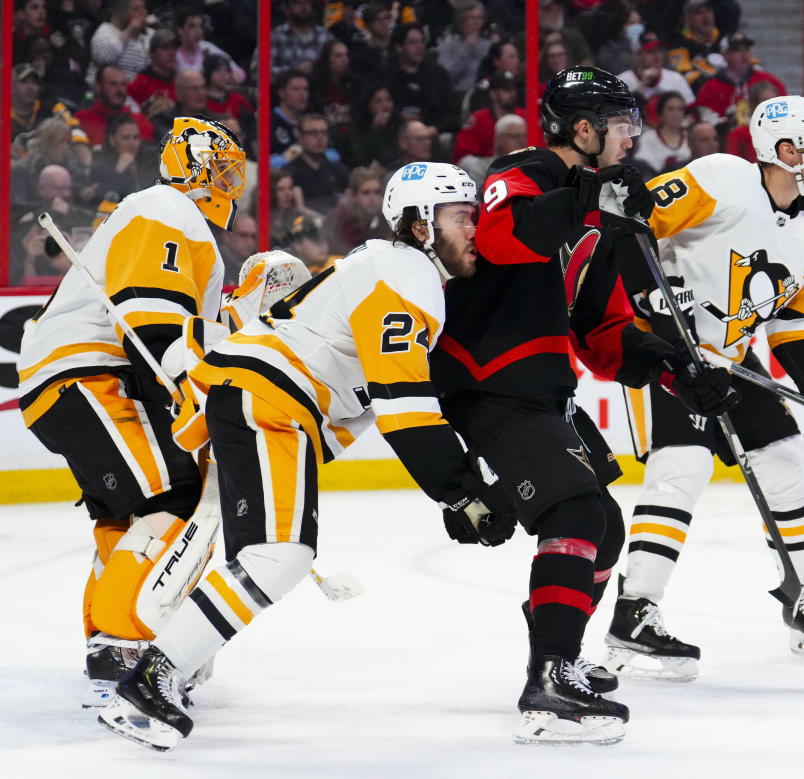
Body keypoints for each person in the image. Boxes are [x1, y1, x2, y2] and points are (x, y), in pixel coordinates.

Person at [97, 162, 521, 751]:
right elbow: (405, 411)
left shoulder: (395, 273)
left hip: (263, 402)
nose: (474, 229)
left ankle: (161, 667)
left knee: (272, 555)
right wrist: (463, 490)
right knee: (280, 555)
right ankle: (150, 679)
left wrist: (458, 486)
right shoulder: (405, 274)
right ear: (421, 225)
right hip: (267, 401)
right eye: (460, 216)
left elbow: (383, 404)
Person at [430, 66, 734, 744]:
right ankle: (551, 672)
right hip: (487, 377)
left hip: (543, 386)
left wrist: (676, 369)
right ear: (584, 129)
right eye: (622, 123)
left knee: (605, 526)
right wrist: (593, 193)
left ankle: (555, 639)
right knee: (574, 510)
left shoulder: (606, 212)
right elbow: (506, 237)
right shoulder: (523, 170)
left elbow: (603, 331)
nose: (635, 135)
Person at [604, 96, 804, 681]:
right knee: (682, 467)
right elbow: (628, 227)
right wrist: (654, 307)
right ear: (786, 151)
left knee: (788, 460)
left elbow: (796, 328)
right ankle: (635, 612)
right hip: (659, 351)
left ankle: (800, 592)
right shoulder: (720, 178)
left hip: (729, 359)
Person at [17, 117, 246, 707]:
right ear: (190, 166)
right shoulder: (167, 210)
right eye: (220, 169)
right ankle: (123, 645)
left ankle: (108, 641)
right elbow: (152, 321)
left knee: (127, 513)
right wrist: (187, 403)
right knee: (174, 496)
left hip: (67, 381)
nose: (229, 183)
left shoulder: (169, 216)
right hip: (91, 375)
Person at [694, 32, 786, 137]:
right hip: (726, 143)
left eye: (746, 49)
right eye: (736, 50)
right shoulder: (710, 88)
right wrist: (729, 122)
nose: (744, 54)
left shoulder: (769, 81)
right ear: (725, 55)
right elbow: (708, 121)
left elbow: (785, 114)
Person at [452, 71, 526, 164]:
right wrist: (486, 166)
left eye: (514, 89)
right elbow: (462, 156)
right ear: (493, 94)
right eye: (507, 89)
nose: (513, 93)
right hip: (485, 171)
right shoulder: (478, 118)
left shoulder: (526, 116)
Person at [282, 114, 350, 213]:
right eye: (313, 133)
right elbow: (298, 209)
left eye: (324, 132)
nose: (320, 137)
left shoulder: (339, 169)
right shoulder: (290, 173)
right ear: (300, 138)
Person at [75, 65, 156, 146]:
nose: (119, 89)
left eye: (123, 84)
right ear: (98, 87)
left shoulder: (141, 122)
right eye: (113, 84)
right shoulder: (81, 120)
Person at [86, 0, 152, 84]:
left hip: (135, 91)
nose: (142, 13)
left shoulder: (150, 35)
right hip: (103, 89)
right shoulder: (106, 30)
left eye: (143, 8)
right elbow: (103, 58)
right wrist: (129, 30)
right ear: (123, 13)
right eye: (136, 9)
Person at [666, 0, 722, 94]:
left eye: (708, 11)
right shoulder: (679, 47)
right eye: (698, 13)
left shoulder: (725, 40)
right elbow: (684, 75)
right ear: (687, 19)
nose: (705, 16)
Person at [632, 91, 691, 175]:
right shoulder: (648, 137)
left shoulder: (690, 136)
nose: (676, 114)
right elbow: (642, 166)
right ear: (660, 113)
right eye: (670, 109)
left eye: (680, 109)